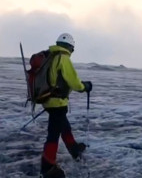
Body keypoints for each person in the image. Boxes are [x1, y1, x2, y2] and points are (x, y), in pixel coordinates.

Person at [40, 33, 93, 178]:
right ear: (70, 47)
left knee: (63, 126)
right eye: (72, 49)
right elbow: (73, 81)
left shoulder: (51, 56)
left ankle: (73, 148)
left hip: (49, 101)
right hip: (57, 102)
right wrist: (84, 87)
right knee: (53, 135)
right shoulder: (63, 58)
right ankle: (48, 167)